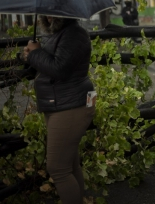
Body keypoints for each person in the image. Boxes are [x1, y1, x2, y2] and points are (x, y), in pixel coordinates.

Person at [23, 16, 95, 204]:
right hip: (61, 103)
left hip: (71, 106)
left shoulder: (74, 34)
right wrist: (29, 55)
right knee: (69, 164)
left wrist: (35, 54)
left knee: (57, 168)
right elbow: (47, 64)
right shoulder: (60, 34)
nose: (49, 15)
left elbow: (60, 68)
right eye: (47, 10)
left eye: (54, 10)